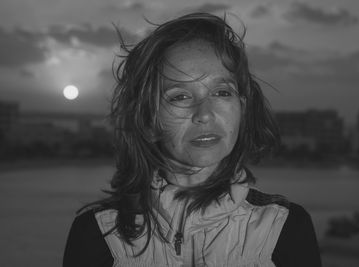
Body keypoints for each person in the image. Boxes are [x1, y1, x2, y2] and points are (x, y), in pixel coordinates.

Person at [63, 13, 321, 267]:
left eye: (221, 92)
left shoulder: (284, 228)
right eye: (180, 97)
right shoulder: (99, 234)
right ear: (148, 121)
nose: (206, 114)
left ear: (242, 109)